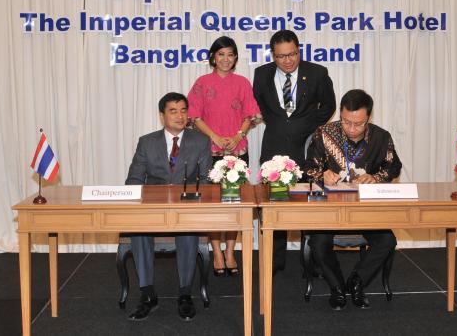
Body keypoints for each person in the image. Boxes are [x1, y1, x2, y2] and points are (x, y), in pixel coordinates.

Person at [305, 89, 402, 310]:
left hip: (366, 210)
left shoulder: (381, 137)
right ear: (340, 114)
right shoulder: (324, 134)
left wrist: (375, 177)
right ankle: (337, 287)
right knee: (318, 242)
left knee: (387, 241)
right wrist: (322, 175)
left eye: (358, 124)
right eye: (346, 122)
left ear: (368, 118)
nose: (351, 128)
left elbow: (393, 167)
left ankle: (357, 282)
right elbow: (308, 169)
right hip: (330, 210)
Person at [252, 30, 336, 271]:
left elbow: (329, 105)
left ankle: (312, 261)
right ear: (273, 55)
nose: (287, 61)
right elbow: (259, 104)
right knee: (274, 205)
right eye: (281, 56)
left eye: (292, 54)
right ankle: (274, 262)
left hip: (307, 146)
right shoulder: (261, 74)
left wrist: (307, 125)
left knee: (309, 205)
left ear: (299, 50)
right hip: (274, 146)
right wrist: (280, 124)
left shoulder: (317, 72)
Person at [125, 92, 213, 322]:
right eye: (173, 111)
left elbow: (206, 180)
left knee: (187, 230)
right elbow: (134, 180)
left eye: (183, 110)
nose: (180, 116)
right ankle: (147, 294)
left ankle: (185, 294)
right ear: (162, 115)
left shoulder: (201, 141)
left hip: (187, 208)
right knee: (138, 230)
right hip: (153, 209)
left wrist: (192, 202)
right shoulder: (147, 142)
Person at [188, 36, 260, 277]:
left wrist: (238, 136)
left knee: (235, 203)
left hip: (238, 149)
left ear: (236, 57)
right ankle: (217, 252)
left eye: (230, 54)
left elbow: (250, 115)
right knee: (214, 203)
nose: (226, 59)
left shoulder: (242, 82)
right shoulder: (202, 83)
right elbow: (195, 116)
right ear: (213, 57)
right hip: (209, 150)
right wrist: (215, 137)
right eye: (221, 54)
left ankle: (230, 251)